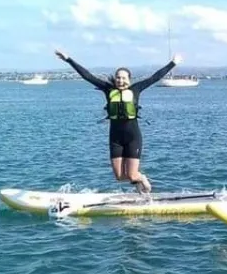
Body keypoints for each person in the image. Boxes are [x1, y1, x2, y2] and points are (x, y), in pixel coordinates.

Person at [54, 49, 183, 193]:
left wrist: (173, 63)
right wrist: (68, 59)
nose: (120, 80)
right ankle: (139, 185)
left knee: (132, 174)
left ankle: (142, 181)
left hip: (133, 138)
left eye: (123, 78)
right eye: (118, 77)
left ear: (129, 79)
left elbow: (155, 77)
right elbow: (87, 76)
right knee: (120, 177)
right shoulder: (108, 90)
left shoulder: (136, 89)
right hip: (115, 138)